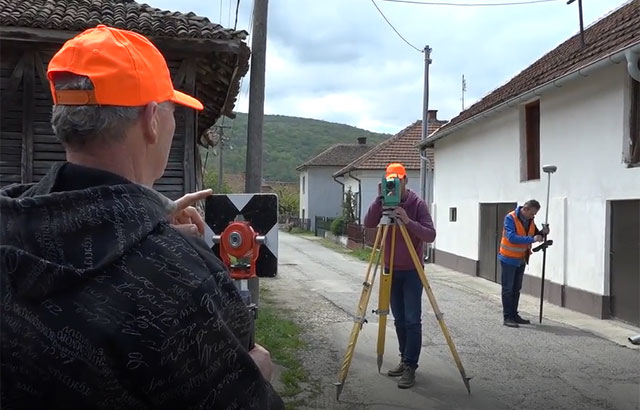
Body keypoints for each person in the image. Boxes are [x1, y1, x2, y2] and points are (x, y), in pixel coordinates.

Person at [0, 25, 283, 409]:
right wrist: (256, 377)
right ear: (152, 119)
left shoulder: (10, 226)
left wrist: (148, 220)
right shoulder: (186, 282)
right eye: (172, 112)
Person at [363, 163, 436, 389]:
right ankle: (404, 359)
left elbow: (430, 235)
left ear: (405, 181)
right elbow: (368, 223)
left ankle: (411, 366)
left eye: (397, 181)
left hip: (412, 271)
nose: (393, 185)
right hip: (390, 270)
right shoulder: (383, 202)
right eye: (389, 181)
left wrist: (407, 220)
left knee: (412, 320)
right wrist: (379, 200)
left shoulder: (417, 204)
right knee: (399, 319)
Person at [498, 199, 550, 328]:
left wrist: (543, 233)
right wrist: (533, 239)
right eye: (532, 213)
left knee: (516, 289)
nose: (533, 216)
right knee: (508, 289)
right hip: (508, 258)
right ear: (525, 209)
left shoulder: (530, 220)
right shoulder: (510, 218)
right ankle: (507, 317)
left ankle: (514, 315)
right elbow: (512, 237)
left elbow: (534, 234)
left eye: (535, 214)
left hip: (521, 259)